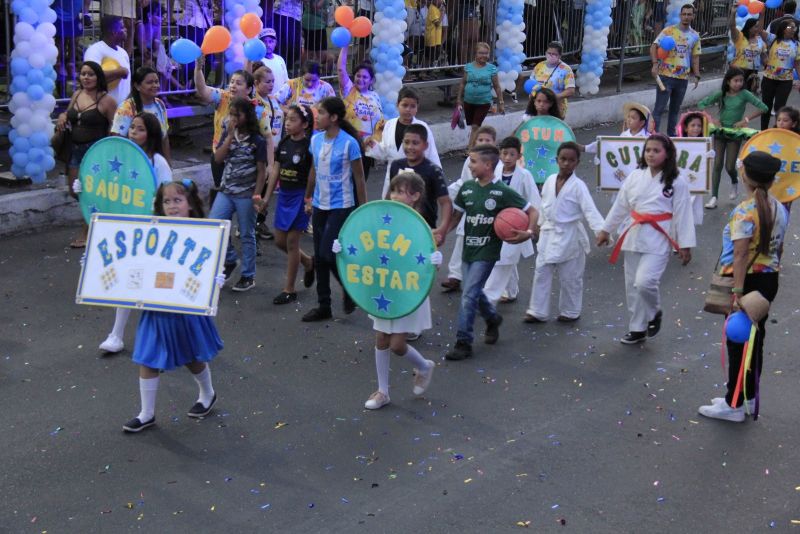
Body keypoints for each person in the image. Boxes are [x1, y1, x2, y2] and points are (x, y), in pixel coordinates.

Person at [123, 180, 224, 433]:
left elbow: (210, 263)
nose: (172, 206)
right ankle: (146, 413)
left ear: (190, 204)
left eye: (177, 200)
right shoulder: (152, 231)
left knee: (191, 356)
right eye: (166, 201)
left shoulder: (204, 232)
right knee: (147, 357)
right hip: (156, 305)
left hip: (185, 306)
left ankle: (208, 393)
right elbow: (133, 260)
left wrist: (215, 281)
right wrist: (94, 268)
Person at [334, 172, 440, 410]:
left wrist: (435, 259)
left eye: (401, 191)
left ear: (415, 196)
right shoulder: (381, 219)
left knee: (397, 345)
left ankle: (423, 366)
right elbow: (367, 245)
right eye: (393, 190)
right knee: (381, 338)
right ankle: (382, 391)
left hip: (406, 293)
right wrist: (344, 250)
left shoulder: (421, 227)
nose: (394, 196)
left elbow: (427, 263)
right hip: (384, 288)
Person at [697, 151, 788, 423]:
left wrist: (737, 291)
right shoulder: (779, 208)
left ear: (745, 176)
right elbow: (778, 248)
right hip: (768, 280)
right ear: (772, 180)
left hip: (745, 282)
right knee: (754, 341)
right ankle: (746, 395)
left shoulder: (745, 211)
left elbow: (740, 254)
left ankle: (733, 404)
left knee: (738, 342)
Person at [75, 112, 175, 353]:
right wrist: (83, 188)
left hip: (151, 232)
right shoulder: (119, 157)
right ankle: (116, 334)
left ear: (150, 135)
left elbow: (169, 194)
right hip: (126, 232)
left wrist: (157, 205)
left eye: (140, 129)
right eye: (132, 128)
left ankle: (166, 336)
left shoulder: (157, 162)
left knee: (155, 287)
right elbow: (105, 188)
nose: (133, 133)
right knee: (128, 280)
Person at [596, 134, 696, 344]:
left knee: (645, 281)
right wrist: (606, 229)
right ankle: (637, 328)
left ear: (667, 154)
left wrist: (685, 245)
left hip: (659, 236)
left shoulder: (677, 182)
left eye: (656, 150)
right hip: (633, 233)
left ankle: (654, 312)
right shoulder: (635, 176)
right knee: (632, 284)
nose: (650, 154)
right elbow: (621, 206)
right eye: (648, 150)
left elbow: (683, 213)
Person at [444, 144, 537, 361]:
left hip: (487, 252)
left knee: (468, 295)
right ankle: (493, 318)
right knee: (473, 292)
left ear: (488, 165)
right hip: (469, 250)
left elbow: (532, 211)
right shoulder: (467, 189)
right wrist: (440, 233)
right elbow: (455, 218)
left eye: (474, 161)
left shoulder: (502, 192)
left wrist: (528, 232)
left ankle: (463, 341)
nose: (470, 164)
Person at [302, 97, 367, 321]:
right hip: (320, 204)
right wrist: (308, 197)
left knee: (327, 254)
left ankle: (348, 290)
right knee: (320, 258)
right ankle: (324, 305)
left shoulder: (350, 143)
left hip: (342, 206)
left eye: (321, 112)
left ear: (334, 118)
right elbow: (313, 170)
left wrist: (363, 210)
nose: (316, 116)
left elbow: (359, 179)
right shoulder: (316, 140)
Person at [525, 141, 604, 323]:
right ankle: (537, 310)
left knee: (571, 277)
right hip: (548, 232)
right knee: (541, 272)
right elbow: (543, 206)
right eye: (563, 159)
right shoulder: (550, 180)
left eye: (571, 160)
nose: (566, 163)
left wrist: (601, 231)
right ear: (556, 160)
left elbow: (589, 210)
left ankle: (570, 311)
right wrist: (537, 225)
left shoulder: (579, 186)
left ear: (577, 162)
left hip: (570, 235)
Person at [211, 97, 270, 293]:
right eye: (232, 114)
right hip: (227, 190)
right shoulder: (229, 135)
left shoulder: (257, 141)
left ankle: (248, 275)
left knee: (246, 233)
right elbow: (218, 159)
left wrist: (257, 195)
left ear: (247, 116)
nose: (234, 118)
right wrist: (228, 137)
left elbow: (262, 171)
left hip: (246, 193)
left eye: (238, 114)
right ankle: (229, 260)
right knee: (215, 225)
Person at [55, 61, 117, 248]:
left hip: (95, 153)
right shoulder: (76, 94)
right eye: (83, 74)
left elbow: (115, 129)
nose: (86, 77)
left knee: (89, 194)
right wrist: (62, 116)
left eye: (91, 74)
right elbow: (68, 113)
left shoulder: (107, 101)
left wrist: (108, 154)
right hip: (75, 150)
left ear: (98, 77)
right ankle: (101, 222)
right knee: (76, 192)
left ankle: (87, 231)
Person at [194, 56, 273, 202]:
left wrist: (270, 166)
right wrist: (198, 69)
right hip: (220, 156)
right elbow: (203, 90)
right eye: (231, 82)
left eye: (238, 83)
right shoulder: (222, 97)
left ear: (249, 89)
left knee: (246, 200)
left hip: (247, 161)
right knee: (223, 196)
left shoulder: (258, 110)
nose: (233, 86)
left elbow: (268, 138)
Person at [262, 104, 316, 305]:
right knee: (279, 241)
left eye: (293, 120)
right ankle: (308, 262)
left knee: (293, 242)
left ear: (305, 124)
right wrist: (267, 197)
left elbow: (313, 173)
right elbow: (275, 170)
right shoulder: (284, 142)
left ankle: (289, 289)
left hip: (301, 195)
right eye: (287, 119)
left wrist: (309, 198)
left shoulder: (310, 145)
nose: (288, 124)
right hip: (284, 195)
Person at [482, 136, 541, 306]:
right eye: (504, 153)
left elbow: (534, 200)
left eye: (512, 154)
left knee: (505, 258)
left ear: (518, 156)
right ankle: (511, 290)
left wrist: (534, 225)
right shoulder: (494, 172)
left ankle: (490, 296)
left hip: (517, 222)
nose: (507, 158)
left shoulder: (524, 175)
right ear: (500, 154)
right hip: (497, 222)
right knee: (504, 257)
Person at [698, 67, 768, 209]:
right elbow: (701, 104)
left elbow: (764, 107)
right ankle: (714, 197)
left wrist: (745, 120)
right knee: (717, 164)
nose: (739, 83)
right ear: (728, 81)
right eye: (735, 81)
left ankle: (734, 180)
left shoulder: (745, 94)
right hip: (720, 131)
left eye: (741, 81)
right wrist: (711, 119)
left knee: (730, 166)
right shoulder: (721, 93)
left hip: (735, 132)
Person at [441, 126, 498, 293]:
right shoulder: (469, 161)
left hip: (490, 210)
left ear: (494, 143)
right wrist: (447, 193)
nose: (484, 143)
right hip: (471, 207)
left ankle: (502, 286)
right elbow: (464, 182)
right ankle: (455, 276)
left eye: (488, 140)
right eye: (480, 140)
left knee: (496, 250)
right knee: (462, 239)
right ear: (475, 142)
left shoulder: (498, 163)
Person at [366, 87, 441, 199]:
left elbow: (432, 156)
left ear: (417, 108)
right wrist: (373, 146)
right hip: (392, 179)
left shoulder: (422, 128)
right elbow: (385, 151)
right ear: (397, 105)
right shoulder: (390, 125)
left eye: (412, 106)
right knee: (390, 213)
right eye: (405, 105)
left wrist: (436, 182)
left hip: (414, 180)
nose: (408, 110)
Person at [387, 124, 452, 246]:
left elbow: (446, 202)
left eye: (415, 143)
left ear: (426, 145)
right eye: (406, 142)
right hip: (398, 229)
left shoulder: (433, 170)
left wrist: (442, 230)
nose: (410, 147)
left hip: (424, 229)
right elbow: (389, 196)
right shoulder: (396, 166)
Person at [650, 4, 702, 136]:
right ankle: (654, 136)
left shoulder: (695, 36)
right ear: (680, 15)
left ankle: (671, 138)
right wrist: (655, 64)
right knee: (659, 109)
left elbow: (695, 57)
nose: (686, 17)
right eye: (684, 14)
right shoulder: (669, 31)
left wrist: (697, 75)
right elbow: (653, 47)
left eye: (689, 14)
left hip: (682, 79)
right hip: (665, 76)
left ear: (693, 16)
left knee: (674, 110)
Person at [338, 46, 383, 180]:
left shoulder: (375, 96)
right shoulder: (349, 91)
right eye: (358, 75)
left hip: (367, 149)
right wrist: (345, 45)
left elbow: (380, 121)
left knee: (362, 183)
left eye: (365, 77)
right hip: (350, 146)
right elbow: (341, 69)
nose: (360, 79)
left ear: (371, 80)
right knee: (348, 184)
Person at [111, 66, 172, 163]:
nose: (155, 85)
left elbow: (164, 138)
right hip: (134, 164)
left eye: (156, 82)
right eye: (149, 82)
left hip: (156, 162)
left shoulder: (160, 104)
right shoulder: (126, 108)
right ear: (137, 86)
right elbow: (119, 141)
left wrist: (168, 165)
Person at [456, 42, 504, 149]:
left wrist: (501, 103)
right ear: (475, 54)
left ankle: (470, 149)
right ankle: (477, 141)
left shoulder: (491, 69)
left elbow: (497, 87)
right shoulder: (468, 67)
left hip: (484, 102)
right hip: (468, 101)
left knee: (475, 126)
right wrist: (459, 99)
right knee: (473, 126)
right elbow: (463, 83)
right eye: (481, 53)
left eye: (486, 53)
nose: (484, 56)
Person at [760, 19, 800, 130]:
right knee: (766, 106)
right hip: (769, 79)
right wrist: (762, 13)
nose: (793, 30)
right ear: (783, 28)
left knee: (780, 108)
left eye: (794, 28)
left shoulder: (796, 45)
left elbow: (797, 64)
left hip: (786, 81)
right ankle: (763, 130)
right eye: (790, 27)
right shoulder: (772, 39)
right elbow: (759, 30)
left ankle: (778, 131)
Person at [83, 16, 131, 106]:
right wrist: (119, 72)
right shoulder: (95, 50)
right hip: (103, 109)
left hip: (123, 110)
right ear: (114, 32)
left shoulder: (123, 52)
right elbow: (90, 77)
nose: (126, 30)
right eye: (122, 27)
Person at [137, 2, 183, 91]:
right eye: (159, 15)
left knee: (166, 62)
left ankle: (166, 94)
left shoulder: (155, 26)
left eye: (162, 16)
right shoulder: (141, 25)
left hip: (155, 53)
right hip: (146, 54)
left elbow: (156, 46)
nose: (162, 18)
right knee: (164, 63)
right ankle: (177, 89)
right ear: (149, 15)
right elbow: (144, 50)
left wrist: (157, 29)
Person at [584, 102, 653, 154]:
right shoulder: (624, 135)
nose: (629, 119)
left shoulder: (648, 138)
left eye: (633, 118)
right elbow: (609, 146)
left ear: (642, 123)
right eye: (628, 116)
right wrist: (585, 148)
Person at [528, 41, 576, 118]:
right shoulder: (539, 66)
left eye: (554, 54)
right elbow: (531, 83)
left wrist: (553, 97)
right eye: (549, 53)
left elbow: (570, 91)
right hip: (539, 108)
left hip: (556, 108)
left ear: (560, 55)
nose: (551, 56)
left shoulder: (566, 69)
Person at [728, 7, 767, 94]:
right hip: (738, 71)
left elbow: (764, 57)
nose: (758, 29)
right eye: (756, 27)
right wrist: (733, 13)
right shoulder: (740, 38)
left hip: (753, 73)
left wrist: (768, 67)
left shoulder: (760, 40)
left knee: (747, 97)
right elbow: (732, 27)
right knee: (736, 96)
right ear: (749, 28)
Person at [272, 0, 303, 73]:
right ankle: (279, 69)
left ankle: (288, 68)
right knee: (279, 44)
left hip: (295, 16)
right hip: (279, 13)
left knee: (294, 44)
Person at [423, 0, 443, 72]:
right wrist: (442, 13)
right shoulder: (432, 8)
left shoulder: (436, 9)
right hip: (431, 38)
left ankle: (429, 72)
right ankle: (424, 72)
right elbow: (437, 23)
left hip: (436, 39)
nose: (441, 2)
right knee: (428, 56)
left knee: (433, 56)